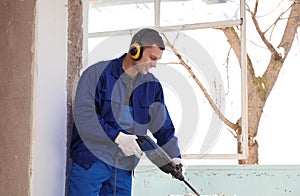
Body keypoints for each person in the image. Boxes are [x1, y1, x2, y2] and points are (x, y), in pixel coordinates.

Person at [68, 28, 182, 196]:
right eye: (152, 58)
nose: (154, 64)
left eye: (157, 60)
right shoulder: (96, 74)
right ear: (135, 51)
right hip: (91, 162)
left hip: (123, 167)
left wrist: (174, 157)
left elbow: (163, 125)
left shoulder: (152, 86)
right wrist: (118, 137)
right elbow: (84, 115)